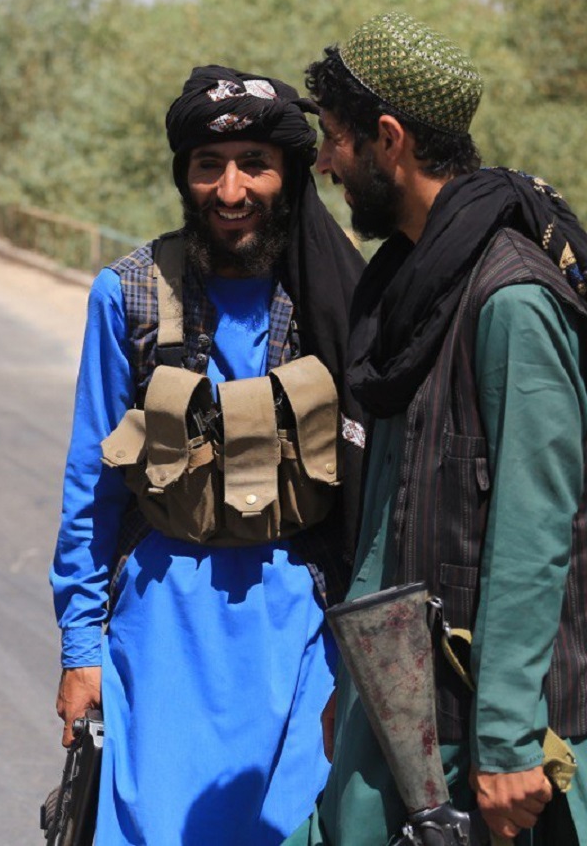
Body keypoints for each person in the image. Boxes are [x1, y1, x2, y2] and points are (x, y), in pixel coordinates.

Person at [289, 13, 587, 844]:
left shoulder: (510, 301)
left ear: (389, 140)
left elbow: (536, 539)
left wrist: (505, 743)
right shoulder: (406, 292)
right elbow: (390, 524)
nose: (323, 164)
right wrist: (355, 689)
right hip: (399, 717)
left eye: (335, 140)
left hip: (487, 753)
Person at [50, 66, 365, 845]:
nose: (231, 190)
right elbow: (92, 486)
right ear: (182, 177)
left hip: (300, 634)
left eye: (254, 164)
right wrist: (82, 646)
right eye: (208, 167)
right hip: (161, 635)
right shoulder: (126, 295)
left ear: (289, 173)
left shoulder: (336, 296)